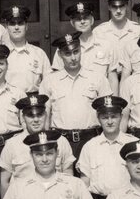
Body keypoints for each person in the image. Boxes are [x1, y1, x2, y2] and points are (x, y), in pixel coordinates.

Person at [40, 32, 113, 160]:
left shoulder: (97, 78)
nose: (73, 58)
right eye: (67, 54)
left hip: (91, 139)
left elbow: (108, 114)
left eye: (76, 52)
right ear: (60, 55)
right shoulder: (49, 81)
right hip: (60, 140)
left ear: (81, 51)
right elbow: (45, 115)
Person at [0, 93, 75, 197]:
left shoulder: (60, 141)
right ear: (23, 117)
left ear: (46, 115)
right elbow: (4, 182)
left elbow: (69, 177)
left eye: (39, 115)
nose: (36, 120)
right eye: (30, 115)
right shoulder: (12, 144)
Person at [51, 2, 119, 94]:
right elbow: (57, 77)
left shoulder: (106, 45)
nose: (82, 22)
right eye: (78, 19)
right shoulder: (64, 48)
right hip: (75, 97)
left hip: (101, 99)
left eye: (86, 18)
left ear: (92, 20)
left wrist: (114, 104)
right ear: (72, 23)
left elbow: (112, 77)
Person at [0, 5, 51, 93]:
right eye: (12, 24)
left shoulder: (39, 54)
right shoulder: (0, 55)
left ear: (26, 26)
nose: (16, 27)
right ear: (6, 27)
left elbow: (49, 83)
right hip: (9, 101)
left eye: (20, 23)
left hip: (33, 102)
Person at [92, 0, 140, 64]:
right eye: (114, 7)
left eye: (121, 6)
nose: (118, 11)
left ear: (127, 6)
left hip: (133, 73)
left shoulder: (138, 30)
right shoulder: (99, 32)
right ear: (109, 7)